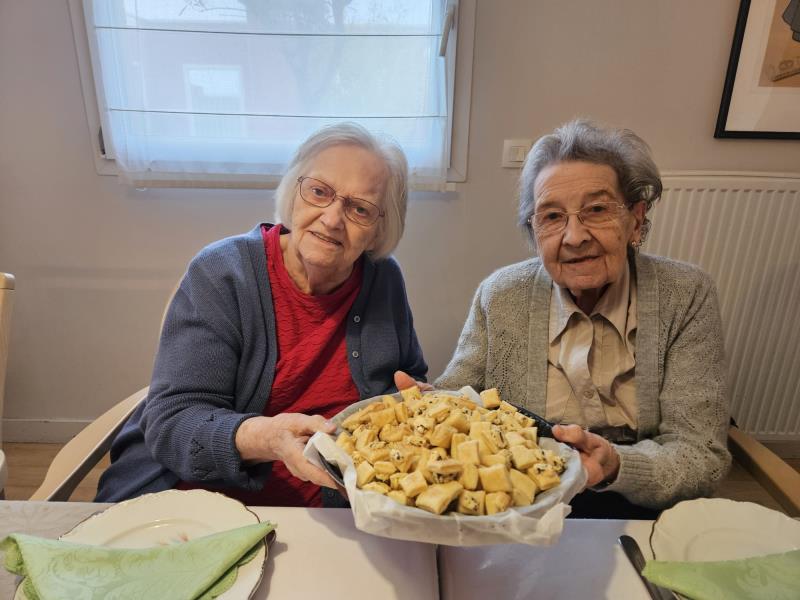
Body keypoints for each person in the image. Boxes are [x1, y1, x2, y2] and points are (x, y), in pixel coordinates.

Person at [96, 122, 427, 506]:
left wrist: (416, 402)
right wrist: (266, 438)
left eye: (359, 209)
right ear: (293, 192)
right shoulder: (222, 273)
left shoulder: (384, 279)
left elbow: (406, 377)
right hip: (201, 501)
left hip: (337, 509)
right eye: (319, 192)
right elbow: (173, 423)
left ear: (379, 229)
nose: (333, 219)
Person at [435, 119, 731, 518]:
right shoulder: (501, 294)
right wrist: (424, 406)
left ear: (635, 220)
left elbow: (701, 454)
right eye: (552, 216)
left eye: (596, 210)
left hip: (642, 503)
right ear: (535, 232)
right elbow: (456, 399)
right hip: (522, 502)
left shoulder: (686, 294)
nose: (574, 237)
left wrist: (617, 465)